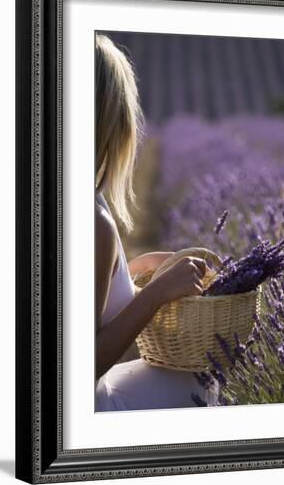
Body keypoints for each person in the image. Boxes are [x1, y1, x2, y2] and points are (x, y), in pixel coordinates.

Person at [94, 34, 219, 411]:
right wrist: (157, 292)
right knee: (203, 382)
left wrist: (131, 271)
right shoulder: (93, 223)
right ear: (113, 119)